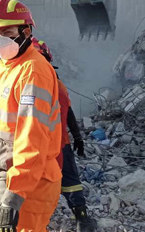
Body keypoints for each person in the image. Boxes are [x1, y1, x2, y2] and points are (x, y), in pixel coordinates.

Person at [0, 0, 62, 232]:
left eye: (7, 32)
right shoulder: (11, 67)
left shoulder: (33, 72)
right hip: (11, 175)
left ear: (26, 32)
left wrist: (13, 196)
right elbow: (6, 130)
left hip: (29, 184)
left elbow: (32, 139)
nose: (0, 39)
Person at [30, 38, 96, 231]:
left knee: (33, 183)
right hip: (58, 144)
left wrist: (77, 137)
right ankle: (82, 220)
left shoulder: (22, 81)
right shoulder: (56, 84)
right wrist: (77, 136)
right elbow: (69, 112)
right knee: (70, 180)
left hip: (33, 145)